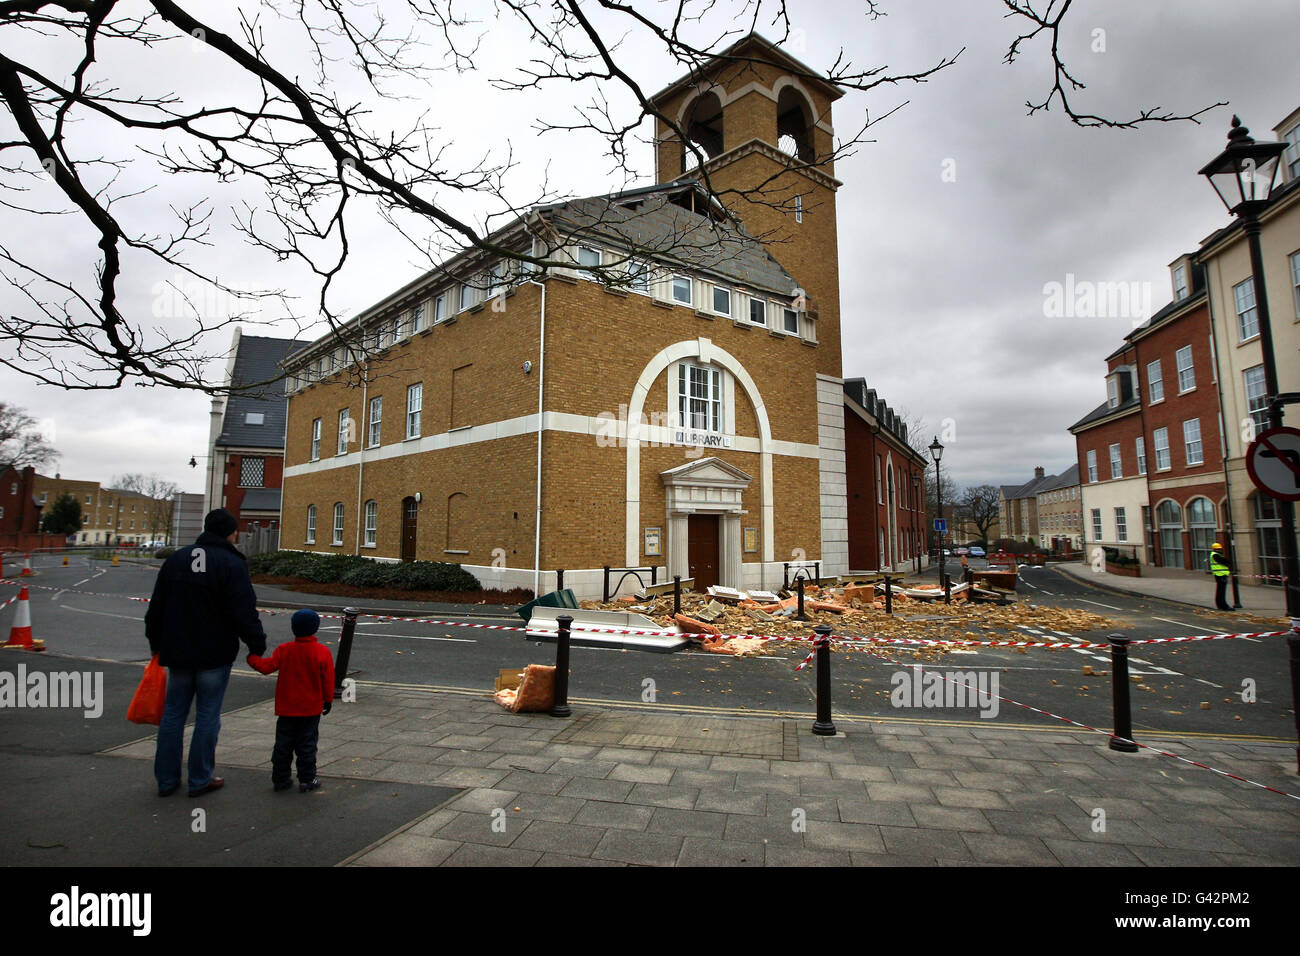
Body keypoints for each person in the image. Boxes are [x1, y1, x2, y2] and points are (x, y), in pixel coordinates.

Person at [145, 508, 267, 797]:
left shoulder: (176, 560)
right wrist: (256, 645)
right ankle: (200, 779)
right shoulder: (231, 563)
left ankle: (166, 780)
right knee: (207, 715)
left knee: (173, 714)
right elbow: (243, 611)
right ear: (230, 533)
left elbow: (157, 608)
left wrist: (156, 644)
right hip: (214, 651)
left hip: (177, 650)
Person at [246, 609, 335, 792]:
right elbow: (327, 679)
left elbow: (266, 667)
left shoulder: (284, 650)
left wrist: (252, 658)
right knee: (307, 745)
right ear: (315, 628)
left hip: (286, 707)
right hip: (310, 708)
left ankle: (280, 779)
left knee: (283, 745)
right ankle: (307, 779)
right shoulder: (321, 651)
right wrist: (328, 699)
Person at [1209, 541, 1233, 611]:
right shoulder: (1215, 555)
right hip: (1220, 575)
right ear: (1215, 549)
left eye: (1220, 549)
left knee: (1220, 591)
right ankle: (1223, 606)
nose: (1220, 550)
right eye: (1218, 549)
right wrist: (1228, 562)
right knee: (1221, 591)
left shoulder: (1216, 554)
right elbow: (1224, 561)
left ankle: (1221, 605)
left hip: (1221, 574)